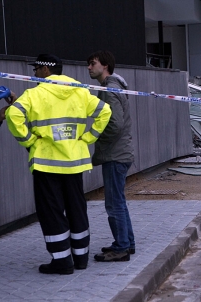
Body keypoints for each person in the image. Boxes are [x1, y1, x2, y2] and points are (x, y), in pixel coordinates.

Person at [6, 54, 112, 274]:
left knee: (52, 212)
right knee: (77, 208)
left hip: (47, 164)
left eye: (36, 69)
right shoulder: (80, 91)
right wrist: (87, 138)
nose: (34, 73)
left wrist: (30, 142)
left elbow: (13, 114)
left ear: (46, 70)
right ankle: (80, 258)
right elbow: (105, 112)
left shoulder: (34, 94)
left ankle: (62, 261)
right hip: (74, 162)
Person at [86, 50, 135, 262]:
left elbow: (114, 125)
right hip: (120, 153)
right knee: (119, 202)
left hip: (115, 155)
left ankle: (121, 248)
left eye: (92, 63)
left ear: (104, 65)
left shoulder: (110, 90)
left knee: (114, 203)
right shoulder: (112, 87)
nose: (88, 67)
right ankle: (126, 243)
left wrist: (95, 138)